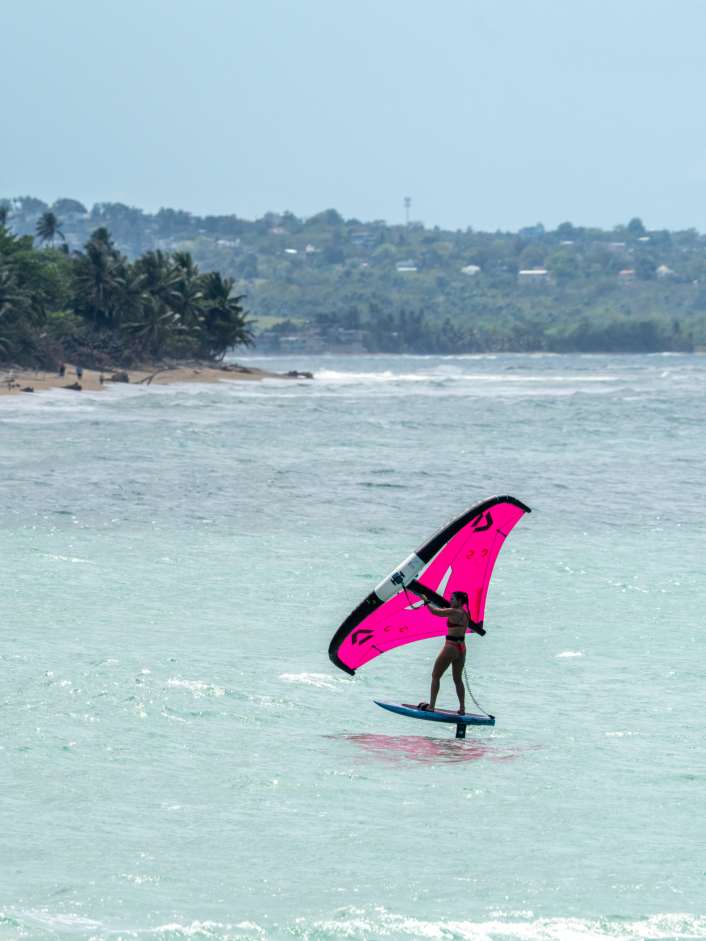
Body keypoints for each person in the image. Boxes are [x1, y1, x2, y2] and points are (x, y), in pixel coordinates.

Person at [417, 591, 472, 715]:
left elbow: (435, 612)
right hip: (461, 647)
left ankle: (431, 706)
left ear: (459, 601)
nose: (450, 601)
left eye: (452, 599)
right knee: (458, 679)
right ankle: (462, 708)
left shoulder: (454, 612)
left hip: (451, 647)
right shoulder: (465, 614)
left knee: (435, 675)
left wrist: (425, 600)